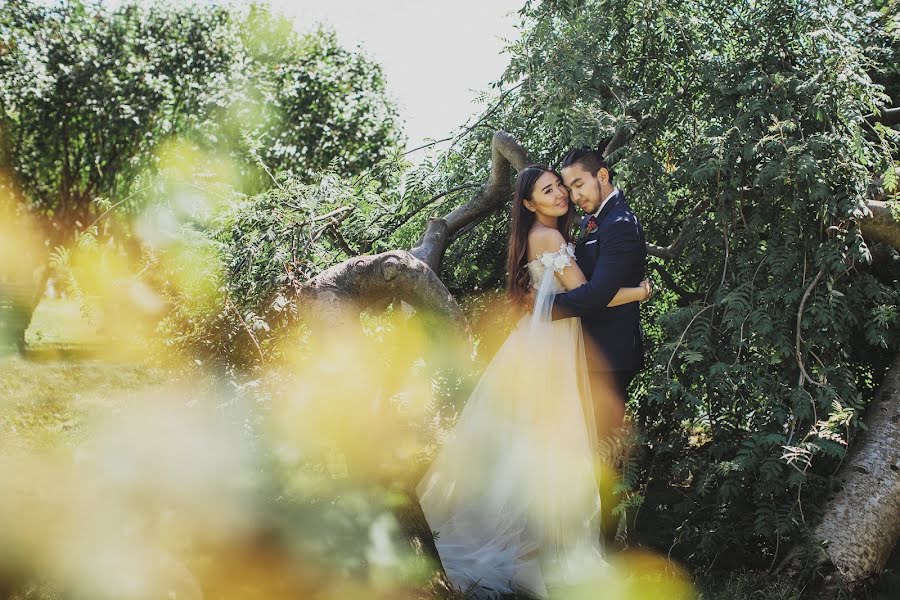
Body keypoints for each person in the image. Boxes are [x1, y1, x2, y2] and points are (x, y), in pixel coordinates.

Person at [416, 165, 650, 599]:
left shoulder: (545, 236)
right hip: (550, 352)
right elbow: (590, 297)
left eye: (561, 185)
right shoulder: (549, 238)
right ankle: (538, 552)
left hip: (541, 344)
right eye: (549, 190)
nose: (560, 194)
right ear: (529, 203)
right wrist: (640, 292)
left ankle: (537, 546)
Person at [547, 146, 649, 436]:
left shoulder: (619, 223)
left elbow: (598, 293)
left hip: (608, 357)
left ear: (602, 175)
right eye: (570, 188)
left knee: (600, 448)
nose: (575, 197)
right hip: (589, 352)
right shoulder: (598, 220)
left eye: (579, 185)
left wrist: (542, 308)